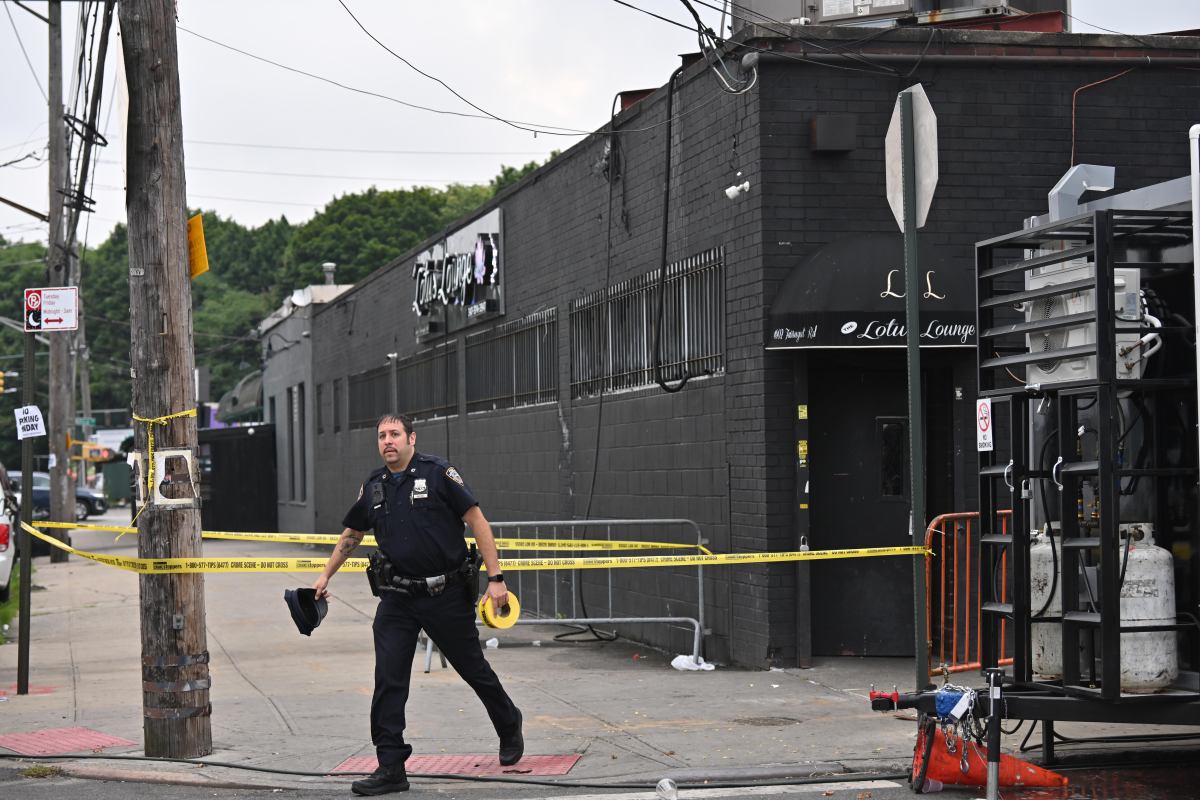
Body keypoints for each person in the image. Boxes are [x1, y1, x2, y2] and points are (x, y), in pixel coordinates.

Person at [314, 413, 522, 796]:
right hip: (397, 598)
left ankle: (509, 723)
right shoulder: (374, 486)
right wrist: (326, 575)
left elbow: (477, 521)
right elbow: (353, 532)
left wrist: (496, 579)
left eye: (395, 434)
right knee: (389, 680)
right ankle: (391, 767)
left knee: (473, 669)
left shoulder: (440, 474)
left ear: (411, 438)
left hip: (444, 595)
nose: (387, 441)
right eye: (382, 436)